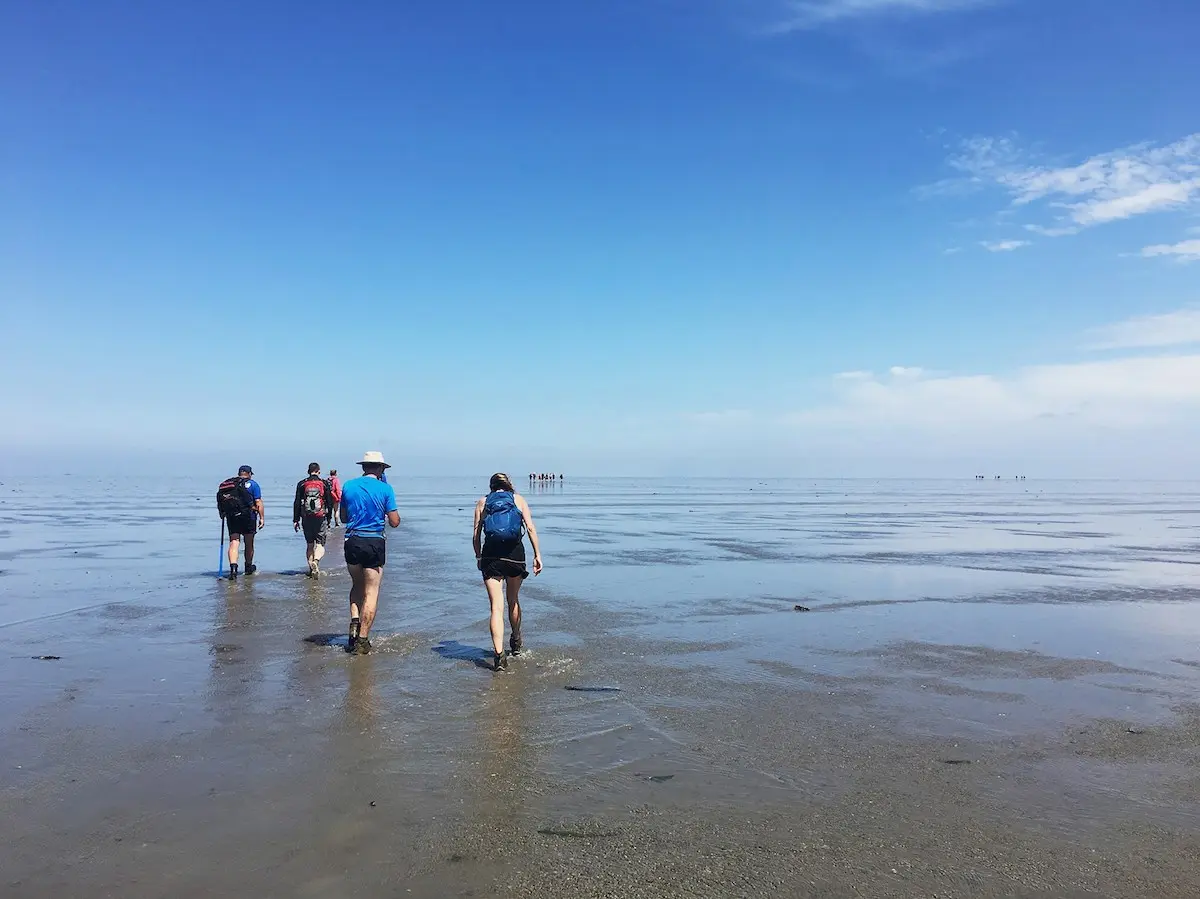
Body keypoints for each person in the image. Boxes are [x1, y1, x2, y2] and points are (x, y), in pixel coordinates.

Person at [472, 472, 542, 672]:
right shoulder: (518, 500)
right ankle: (516, 640)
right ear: (509, 484)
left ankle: (499, 656)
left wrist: (479, 557)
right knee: (513, 600)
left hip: (491, 556)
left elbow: (476, 534)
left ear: (491, 486)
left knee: (496, 607)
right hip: (514, 555)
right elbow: (530, 528)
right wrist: (537, 555)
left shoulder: (483, 502)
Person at [339, 451, 400, 655]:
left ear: (364, 467)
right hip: (373, 541)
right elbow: (394, 521)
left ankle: (354, 623)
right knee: (371, 591)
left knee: (356, 585)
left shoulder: (348, 485)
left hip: (352, 540)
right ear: (381, 468)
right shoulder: (386, 489)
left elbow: (344, 517)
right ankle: (363, 640)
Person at [216, 464, 263, 579]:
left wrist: (222, 513)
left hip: (232, 516)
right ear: (249, 474)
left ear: (239, 474)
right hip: (248, 516)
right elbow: (258, 502)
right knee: (249, 542)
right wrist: (262, 517)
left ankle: (233, 569)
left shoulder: (229, 484)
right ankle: (248, 567)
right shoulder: (253, 484)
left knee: (234, 542)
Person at [293, 462, 334, 578]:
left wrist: (296, 519)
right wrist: (329, 518)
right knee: (320, 544)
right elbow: (330, 502)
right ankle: (316, 561)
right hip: (320, 517)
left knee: (310, 544)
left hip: (306, 517)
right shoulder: (324, 483)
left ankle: (311, 569)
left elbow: (297, 502)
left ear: (308, 471)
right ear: (319, 471)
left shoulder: (302, 484)